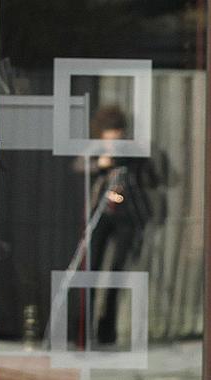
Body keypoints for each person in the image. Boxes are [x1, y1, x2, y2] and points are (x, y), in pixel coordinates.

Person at [86, 105, 157, 345]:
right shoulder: (97, 152)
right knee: (91, 269)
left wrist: (117, 159)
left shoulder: (132, 152)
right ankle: (85, 327)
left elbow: (149, 172)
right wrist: (100, 164)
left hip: (127, 215)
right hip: (102, 213)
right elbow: (80, 165)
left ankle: (107, 329)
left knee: (117, 272)